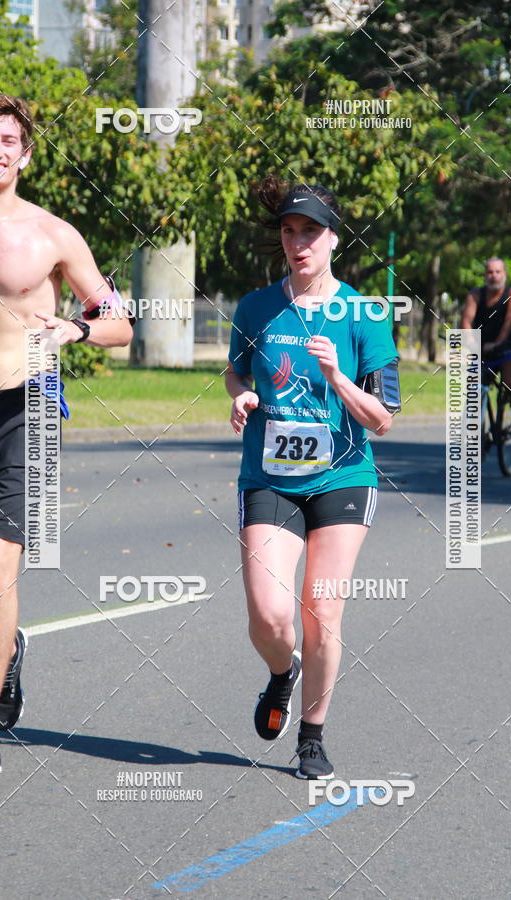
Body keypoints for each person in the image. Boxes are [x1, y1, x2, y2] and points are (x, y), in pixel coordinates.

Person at [0, 93, 133, 774]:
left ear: (25, 154)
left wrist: (77, 327)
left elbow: (120, 324)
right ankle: (10, 651)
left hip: (22, 412)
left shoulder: (55, 236)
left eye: (8, 140)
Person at [225, 177, 399, 779]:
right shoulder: (256, 308)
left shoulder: (365, 314)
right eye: (289, 231)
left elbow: (382, 419)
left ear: (333, 240)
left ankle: (313, 736)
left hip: (344, 476)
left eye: (311, 232)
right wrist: (244, 394)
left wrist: (339, 377)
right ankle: (282, 671)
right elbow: (235, 372)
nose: (298, 243)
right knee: (269, 616)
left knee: (322, 611)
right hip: (270, 476)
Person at [461, 257, 511, 427]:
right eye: (490, 272)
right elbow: (467, 321)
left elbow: (509, 323)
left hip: (508, 349)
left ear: (504, 274)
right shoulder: (475, 295)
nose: (494, 276)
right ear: (485, 275)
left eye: (498, 272)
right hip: (482, 350)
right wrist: (469, 341)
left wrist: (497, 343)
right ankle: (477, 430)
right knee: (473, 386)